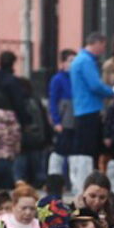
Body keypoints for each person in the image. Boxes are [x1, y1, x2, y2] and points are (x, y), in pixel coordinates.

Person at [70, 32, 114, 194]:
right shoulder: (86, 61)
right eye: (103, 45)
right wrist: (113, 91)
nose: (103, 49)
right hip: (90, 109)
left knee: (85, 150)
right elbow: (95, 85)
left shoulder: (79, 60)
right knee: (90, 151)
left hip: (82, 109)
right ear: (96, 43)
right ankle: (89, 184)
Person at [14, 78, 50, 188]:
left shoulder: (19, 102)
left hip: (24, 141)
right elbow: (43, 121)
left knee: (21, 174)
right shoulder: (36, 100)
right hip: (37, 141)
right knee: (38, 172)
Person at [47, 49, 77, 180]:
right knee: (60, 150)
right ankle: (55, 177)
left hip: (74, 119)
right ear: (63, 63)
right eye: (71, 61)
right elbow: (53, 100)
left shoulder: (76, 78)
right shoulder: (57, 79)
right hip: (64, 118)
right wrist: (56, 121)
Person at [0, 51, 30, 127]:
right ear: (12, 63)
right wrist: (26, 121)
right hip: (9, 121)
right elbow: (18, 103)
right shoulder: (13, 81)